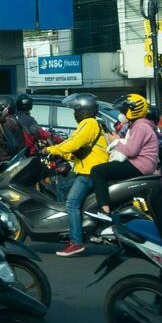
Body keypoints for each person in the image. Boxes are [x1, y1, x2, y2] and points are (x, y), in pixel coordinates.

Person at [47, 92, 109, 257]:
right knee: (65, 189)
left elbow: (74, 143)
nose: (75, 113)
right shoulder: (90, 124)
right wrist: (62, 153)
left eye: (76, 110)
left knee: (71, 204)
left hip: (89, 172)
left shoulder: (89, 123)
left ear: (84, 110)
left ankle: (76, 242)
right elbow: (78, 149)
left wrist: (50, 149)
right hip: (86, 169)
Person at [92, 94, 159, 214]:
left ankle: (104, 210)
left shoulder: (140, 127)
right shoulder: (140, 125)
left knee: (97, 171)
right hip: (143, 165)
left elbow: (131, 151)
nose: (121, 114)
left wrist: (115, 142)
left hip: (139, 166)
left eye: (123, 111)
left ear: (133, 112)